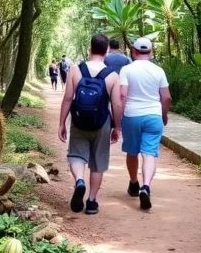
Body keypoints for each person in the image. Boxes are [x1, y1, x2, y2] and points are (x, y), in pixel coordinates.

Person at [58, 34, 122, 215]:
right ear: (107, 50)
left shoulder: (76, 70)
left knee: (77, 155)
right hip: (102, 123)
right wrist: (116, 127)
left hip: (79, 120)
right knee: (98, 162)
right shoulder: (112, 76)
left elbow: (68, 98)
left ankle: (79, 180)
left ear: (90, 49)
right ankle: (92, 202)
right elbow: (117, 104)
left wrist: (62, 122)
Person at [119, 37, 171, 210]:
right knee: (149, 154)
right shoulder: (159, 71)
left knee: (132, 152)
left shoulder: (126, 70)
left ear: (133, 51)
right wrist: (163, 115)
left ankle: (134, 183)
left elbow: (123, 95)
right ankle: (146, 186)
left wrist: (119, 118)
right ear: (151, 51)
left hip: (132, 115)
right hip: (153, 115)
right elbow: (166, 97)